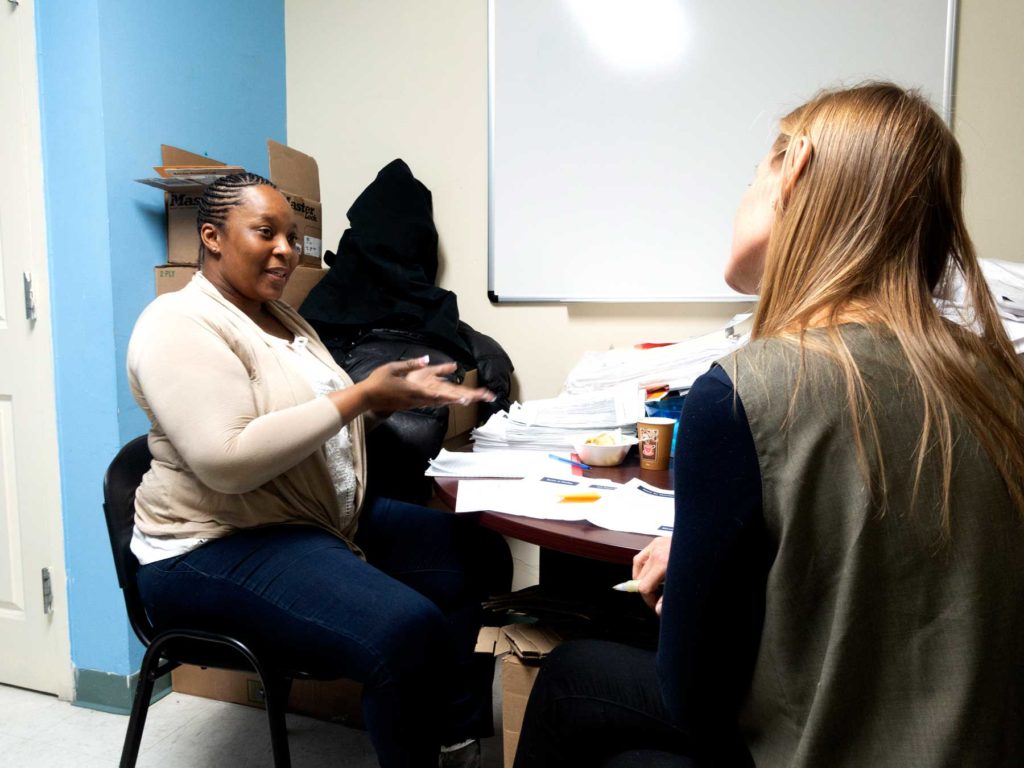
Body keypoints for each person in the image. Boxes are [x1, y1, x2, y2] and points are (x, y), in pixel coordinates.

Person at [513, 82, 1024, 767]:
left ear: (797, 173)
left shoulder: (745, 392)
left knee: (574, 682)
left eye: (753, 176)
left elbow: (694, 696)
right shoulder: (996, 379)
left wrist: (694, 575)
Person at [127, 172, 511, 768]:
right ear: (212, 237)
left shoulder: (282, 318)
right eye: (265, 232)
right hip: (209, 547)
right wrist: (360, 397)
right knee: (403, 629)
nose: (285, 249)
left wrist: (386, 404)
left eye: (292, 236)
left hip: (307, 520)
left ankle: (449, 737)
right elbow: (226, 461)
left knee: (475, 553)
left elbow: (314, 427)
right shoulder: (177, 322)